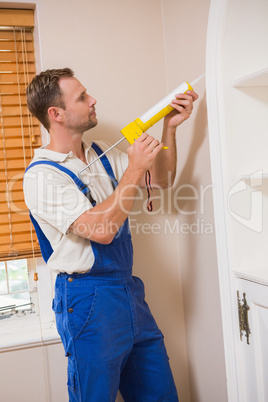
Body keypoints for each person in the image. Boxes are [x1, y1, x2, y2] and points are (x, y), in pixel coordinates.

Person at [23, 68, 198, 402]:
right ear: (56, 114)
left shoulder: (101, 154)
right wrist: (133, 168)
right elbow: (101, 230)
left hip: (127, 291)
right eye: (82, 97)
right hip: (86, 300)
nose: (93, 100)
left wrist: (169, 128)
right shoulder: (41, 177)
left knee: (158, 394)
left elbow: (161, 179)